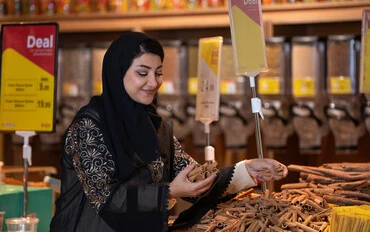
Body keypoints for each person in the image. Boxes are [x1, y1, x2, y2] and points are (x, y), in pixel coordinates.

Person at [50, 31, 288, 232]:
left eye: (158, 72)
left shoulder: (156, 127)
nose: (153, 82)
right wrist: (169, 191)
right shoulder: (89, 125)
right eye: (142, 73)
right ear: (117, 72)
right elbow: (108, 198)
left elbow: (194, 180)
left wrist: (247, 170)